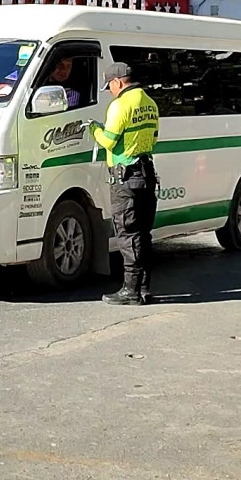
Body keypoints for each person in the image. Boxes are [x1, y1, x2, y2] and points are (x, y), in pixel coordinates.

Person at [89, 62, 160, 306]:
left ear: (118, 82)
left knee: (127, 234)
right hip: (146, 174)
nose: (110, 90)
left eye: (109, 85)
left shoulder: (120, 105)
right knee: (143, 234)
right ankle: (143, 289)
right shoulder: (150, 103)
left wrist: (93, 130)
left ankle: (130, 292)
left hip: (125, 178)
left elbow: (108, 141)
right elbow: (154, 138)